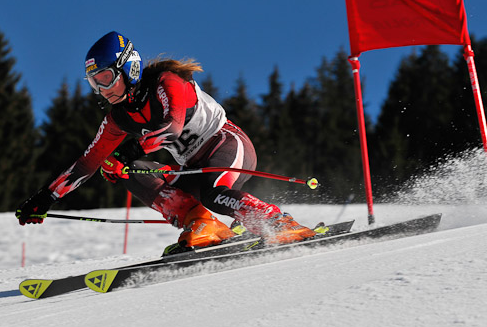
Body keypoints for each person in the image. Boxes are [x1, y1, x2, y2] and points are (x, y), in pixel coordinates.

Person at [16, 31, 317, 254]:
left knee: (214, 194)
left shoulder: (166, 81)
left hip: (226, 145)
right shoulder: (118, 118)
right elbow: (87, 163)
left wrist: (129, 150)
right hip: (193, 167)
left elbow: (170, 127)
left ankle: (277, 222)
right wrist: (45, 198)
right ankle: (202, 223)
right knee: (132, 171)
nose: (102, 89)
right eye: (95, 83)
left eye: (106, 77)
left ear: (128, 68)